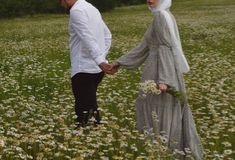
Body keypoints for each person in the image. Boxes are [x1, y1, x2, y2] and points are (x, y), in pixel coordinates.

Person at [109, 0, 204, 159]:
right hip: (156, 70)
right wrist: (120, 62)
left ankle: (164, 152)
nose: (149, 0)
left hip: (160, 73)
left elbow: (164, 48)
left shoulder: (161, 16)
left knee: (159, 112)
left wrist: (164, 80)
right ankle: (159, 151)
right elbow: (144, 46)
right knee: (157, 112)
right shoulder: (160, 16)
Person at [59, 0, 112, 128]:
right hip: (96, 71)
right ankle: (92, 133)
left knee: (84, 111)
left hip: (83, 69)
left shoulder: (76, 11)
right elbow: (107, 35)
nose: (61, 5)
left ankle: (89, 136)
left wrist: (100, 61)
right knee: (89, 106)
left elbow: (86, 37)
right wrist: (101, 59)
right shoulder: (91, 8)